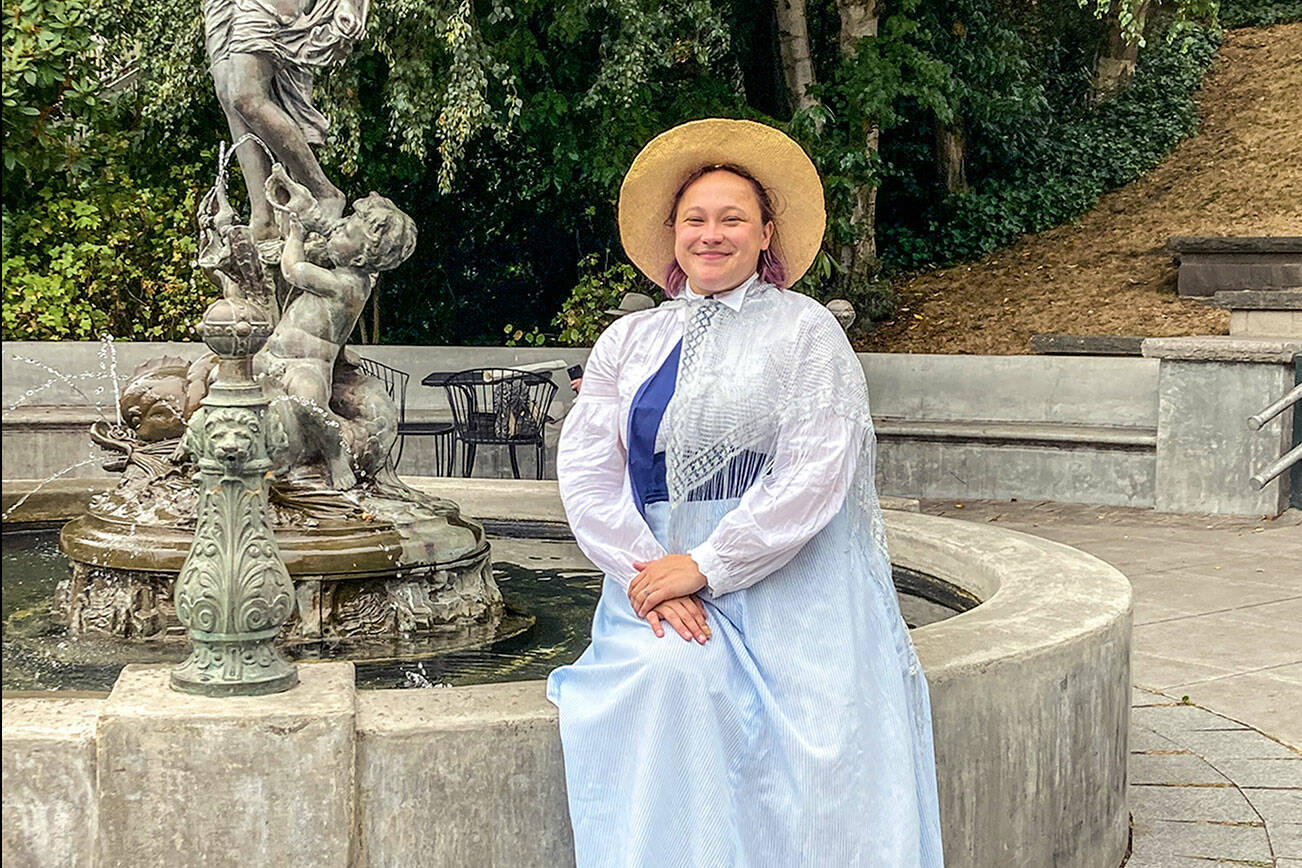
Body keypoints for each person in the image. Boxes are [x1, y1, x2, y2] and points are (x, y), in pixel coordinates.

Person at [547, 118, 945, 866]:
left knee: (811, 747)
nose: (711, 234)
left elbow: (816, 469)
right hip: (655, 577)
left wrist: (708, 565)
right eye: (694, 219)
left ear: (766, 234)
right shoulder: (628, 341)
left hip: (787, 580)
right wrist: (649, 575)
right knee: (671, 679)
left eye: (732, 219)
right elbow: (589, 471)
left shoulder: (805, 331)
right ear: (672, 234)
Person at [256, 164, 416, 487]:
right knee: (225, 379)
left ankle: (335, 454)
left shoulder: (346, 286)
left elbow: (292, 270)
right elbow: (329, 228)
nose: (337, 229)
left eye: (345, 232)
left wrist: (297, 234)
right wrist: (296, 196)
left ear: (360, 258)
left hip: (307, 366)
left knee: (310, 404)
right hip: (273, 354)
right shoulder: (354, 267)